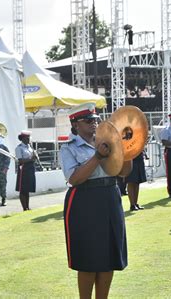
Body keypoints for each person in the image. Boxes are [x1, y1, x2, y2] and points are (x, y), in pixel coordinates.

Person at [60, 102, 132, 299]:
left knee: (109, 258)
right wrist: (98, 155)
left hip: (110, 197)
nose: (94, 123)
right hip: (84, 201)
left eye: (96, 119)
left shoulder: (108, 140)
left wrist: (126, 149)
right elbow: (74, 178)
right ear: (75, 125)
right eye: (88, 120)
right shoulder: (69, 148)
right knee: (88, 260)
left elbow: (125, 172)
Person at [15, 130, 36, 211]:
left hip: (30, 169)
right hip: (23, 169)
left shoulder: (30, 147)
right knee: (23, 189)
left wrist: (35, 156)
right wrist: (31, 159)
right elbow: (20, 161)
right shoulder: (19, 148)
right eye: (27, 138)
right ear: (23, 138)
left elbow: (32, 157)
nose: (29, 139)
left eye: (29, 138)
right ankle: (24, 208)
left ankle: (27, 206)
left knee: (27, 189)